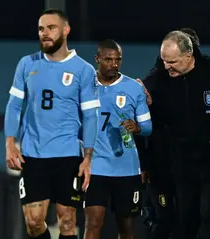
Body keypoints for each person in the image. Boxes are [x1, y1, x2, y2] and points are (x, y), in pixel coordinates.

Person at [143, 30, 210, 239]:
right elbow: (156, 122)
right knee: (186, 221)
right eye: (164, 61)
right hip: (183, 162)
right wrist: (146, 105)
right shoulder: (159, 80)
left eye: (173, 61)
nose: (167, 66)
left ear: (188, 56)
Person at [4, 9, 100, 239]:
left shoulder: (83, 70)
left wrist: (88, 158)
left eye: (51, 28)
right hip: (33, 154)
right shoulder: (27, 64)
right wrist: (9, 143)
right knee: (34, 223)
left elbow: (90, 116)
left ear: (65, 31)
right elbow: (14, 105)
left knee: (67, 223)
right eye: (40, 29)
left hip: (68, 156)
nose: (44, 33)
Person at [83, 39, 152, 239]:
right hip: (95, 168)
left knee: (126, 228)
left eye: (118, 60)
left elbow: (147, 128)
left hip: (127, 169)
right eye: (108, 59)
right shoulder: (85, 88)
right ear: (97, 59)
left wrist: (136, 127)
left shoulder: (133, 88)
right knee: (93, 223)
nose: (114, 64)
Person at [138, 27, 201, 239]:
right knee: (165, 218)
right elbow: (140, 128)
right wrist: (144, 165)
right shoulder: (153, 83)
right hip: (161, 166)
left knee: (188, 219)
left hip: (189, 166)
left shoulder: (200, 84)